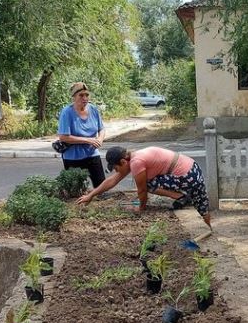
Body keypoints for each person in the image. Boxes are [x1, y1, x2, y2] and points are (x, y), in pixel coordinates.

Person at [77, 145, 212, 227]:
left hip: (187, 176)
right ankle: (184, 198)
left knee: (145, 183)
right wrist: (91, 195)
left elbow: (142, 191)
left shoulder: (137, 162)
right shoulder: (134, 157)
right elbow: (112, 180)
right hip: (192, 169)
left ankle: (182, 197)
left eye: (116, 168)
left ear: (123, 162)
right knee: (202, 204)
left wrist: (140, 207)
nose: (116, 171)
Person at [57, 82, 106, 189]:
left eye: (87, 95)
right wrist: (88, 140)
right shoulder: (67, 112)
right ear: (74, 97)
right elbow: (63, 137)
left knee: (101, 187)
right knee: (76, 190)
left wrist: (100, 139)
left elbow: (101, 128)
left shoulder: (93, 109)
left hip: (92, 154)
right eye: (81, 95)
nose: (85, 98)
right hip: (73, 157)